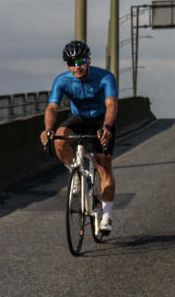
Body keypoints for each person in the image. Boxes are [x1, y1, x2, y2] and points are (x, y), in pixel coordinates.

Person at [40, 39, 119, 236]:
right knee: (59, 138)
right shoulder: (62, 80)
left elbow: (111, 105)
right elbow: (52, 107)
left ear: (89, 60)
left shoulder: (105, 77)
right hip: (79, 118)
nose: (77, 67)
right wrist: (48, 129)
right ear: (67, 65)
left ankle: (107, 215)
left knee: (103, 164)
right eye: (72, 63)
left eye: (81, 61)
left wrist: (107, 127)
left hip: (101, 119)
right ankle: (75, 171)